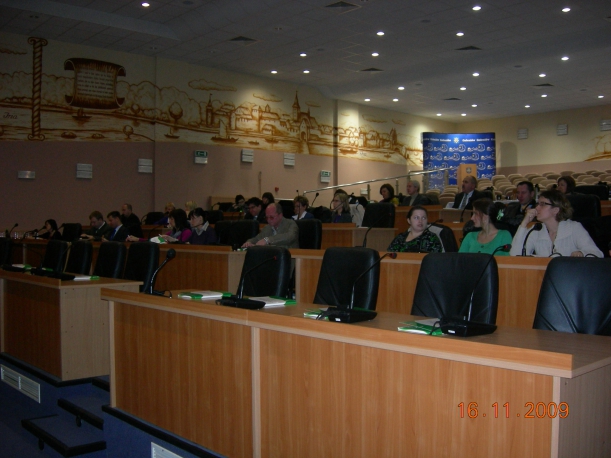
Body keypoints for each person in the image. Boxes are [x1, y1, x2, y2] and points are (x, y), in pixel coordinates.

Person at [510, 190, 603, 257]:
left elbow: (597, 253)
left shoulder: (574, 228)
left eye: (542, 204)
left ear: (555, 210)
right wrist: (524, 224)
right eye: (538, 204)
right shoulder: (536, 230)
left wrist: (582, 253)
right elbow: (515, 255)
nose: (537, 208)